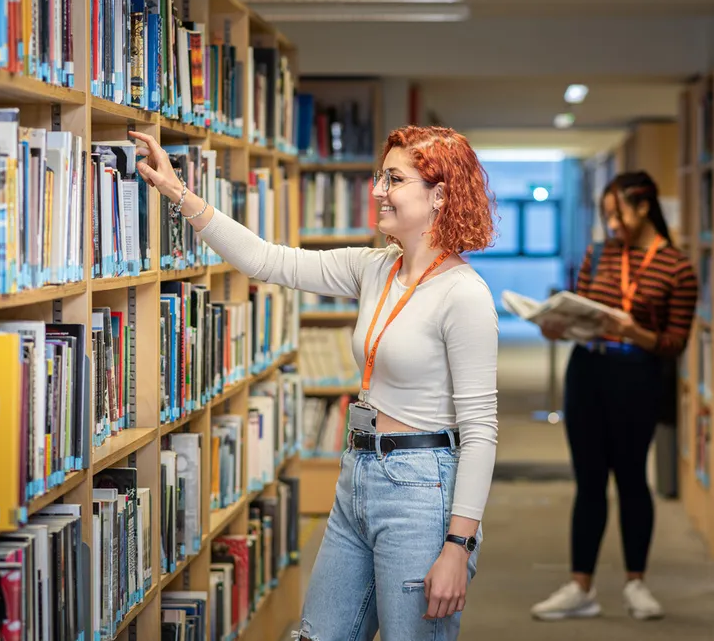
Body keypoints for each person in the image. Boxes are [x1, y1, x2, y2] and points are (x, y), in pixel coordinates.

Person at [129, 126, 499, 640]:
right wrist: (178, 192)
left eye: (394, 178)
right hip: (358, 475)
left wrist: (459, 546)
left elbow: (480, 430)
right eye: (379, 176)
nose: (377, 190)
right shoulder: (375, 269)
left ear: (439, 195)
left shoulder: (464, 295)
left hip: (421, 486)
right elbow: (265, 259)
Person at [530, 170, 698, 622]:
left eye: (618, 214)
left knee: (630, 479)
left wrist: (636, 332)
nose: (612, 225)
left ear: (644, 207)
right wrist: (557, 326)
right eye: (607, 216)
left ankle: (636, 583)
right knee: (588, 481)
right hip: (587, 370)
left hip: (636, 376)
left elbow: (675, 342)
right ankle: (580, 586)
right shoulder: (598, 253)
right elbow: (585, 310)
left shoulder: (677, 268)